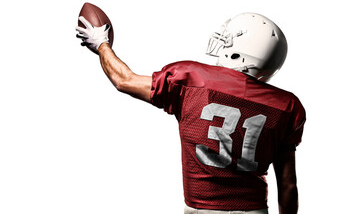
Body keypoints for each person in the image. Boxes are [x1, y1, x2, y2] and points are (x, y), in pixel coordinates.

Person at [76, 12, 306, 214]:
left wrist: (101, 44)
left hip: (202, 209)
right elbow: (287, 185)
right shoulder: (287, 106)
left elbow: (123, 80)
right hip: (255, 210)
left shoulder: (191, 80)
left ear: (240, 53)